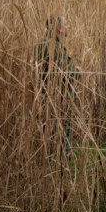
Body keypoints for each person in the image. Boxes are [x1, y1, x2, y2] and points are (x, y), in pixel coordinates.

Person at [37, 14, 80, 157]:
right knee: (60, 135)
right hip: (57, 99)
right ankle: (62, 170)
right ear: (58, 28)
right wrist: (77, 72)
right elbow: (62, 74)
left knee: (54, 134)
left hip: (53, 98)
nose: (68, 27)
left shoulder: (49, 44)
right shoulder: (52, 47)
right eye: (66, 24)